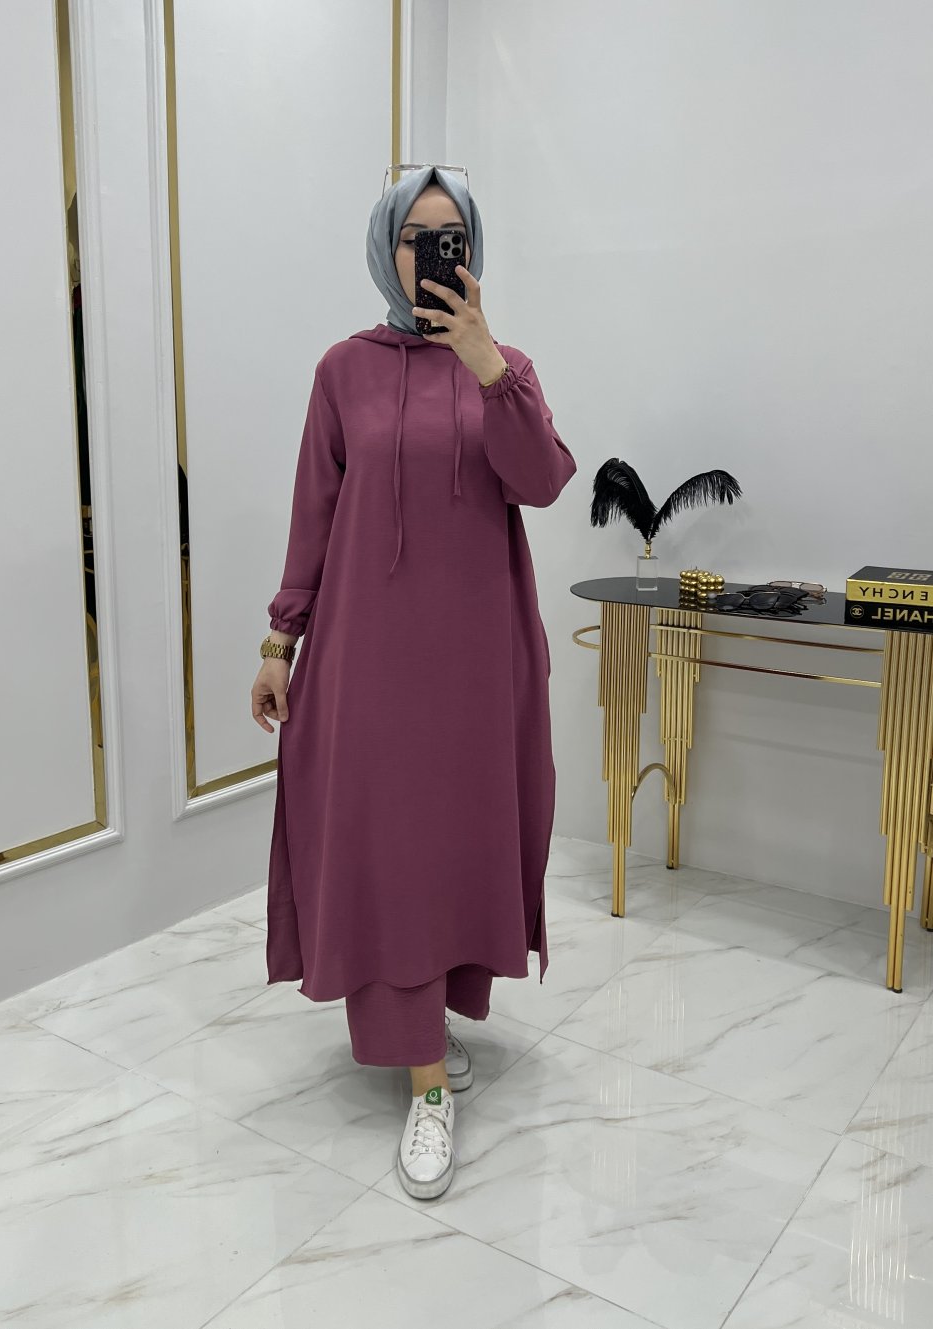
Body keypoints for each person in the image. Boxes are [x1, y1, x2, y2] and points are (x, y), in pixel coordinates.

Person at [251, 165, 576, 1200]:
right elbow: (314, 510)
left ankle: (428, 1020)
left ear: (471, 252)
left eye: (451, 238)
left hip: (477, 661)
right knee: (386, 844)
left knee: (458, 838)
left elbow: (543, 481)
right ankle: (426, 1082)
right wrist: (279, 639)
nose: (432, 253)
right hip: (370, 660)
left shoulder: (505, 366)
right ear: (385, 248)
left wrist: (487, 366)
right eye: (413, 236)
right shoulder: (342, 371)